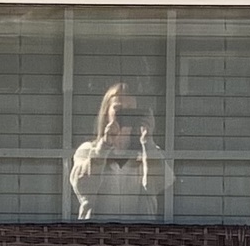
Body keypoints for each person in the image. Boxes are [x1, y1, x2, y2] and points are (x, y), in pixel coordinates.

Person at [67, 82, 174, 220]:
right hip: (96, 237)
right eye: (118, 109)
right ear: (106, 113)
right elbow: (82, 186)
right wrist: (104, 145)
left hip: (139, 237)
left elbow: (158, 185)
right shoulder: (88, 150)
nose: (125, 114)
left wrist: (148, 140)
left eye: (130, 109)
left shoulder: (148, 152)